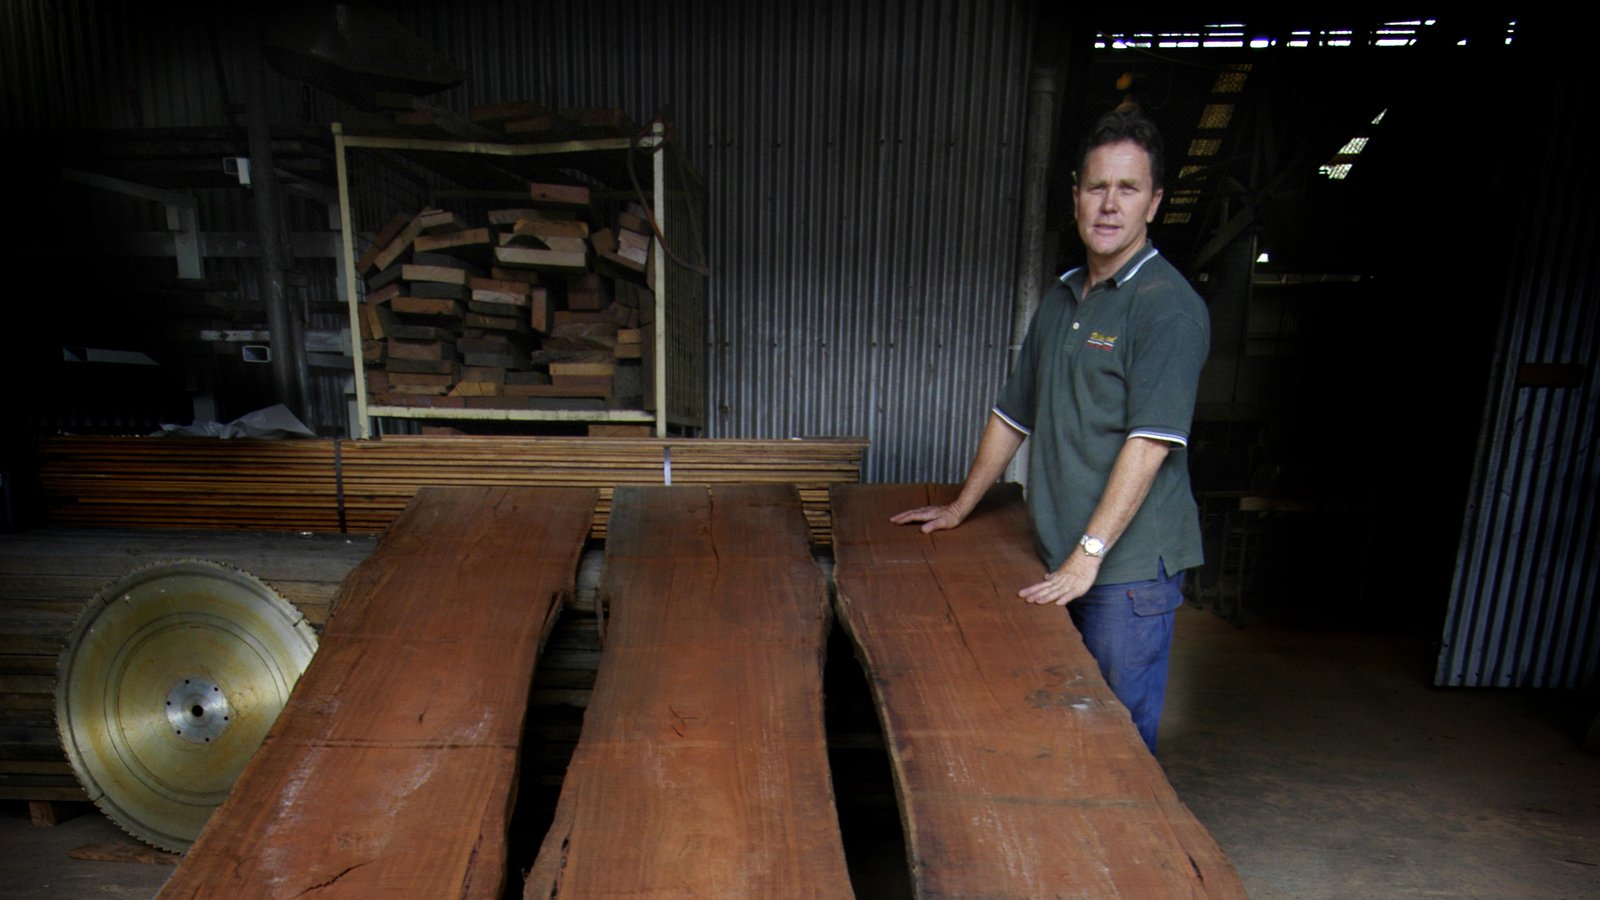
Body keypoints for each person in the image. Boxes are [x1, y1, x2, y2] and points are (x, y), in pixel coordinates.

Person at [891, 105, 1208, 753]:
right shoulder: (1062, 299)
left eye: (1129, 188)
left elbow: (1147, 445)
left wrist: (1087, 557)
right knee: (1058, 726)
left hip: (1125, 573)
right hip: (1064, 555)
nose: (1110, 204)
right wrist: (961, 505)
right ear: (1074, 197)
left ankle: (1130, 856)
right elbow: (1013, 415)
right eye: (1097, 186)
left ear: (1154, 203)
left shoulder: (1166, 308)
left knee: (1115, 744)